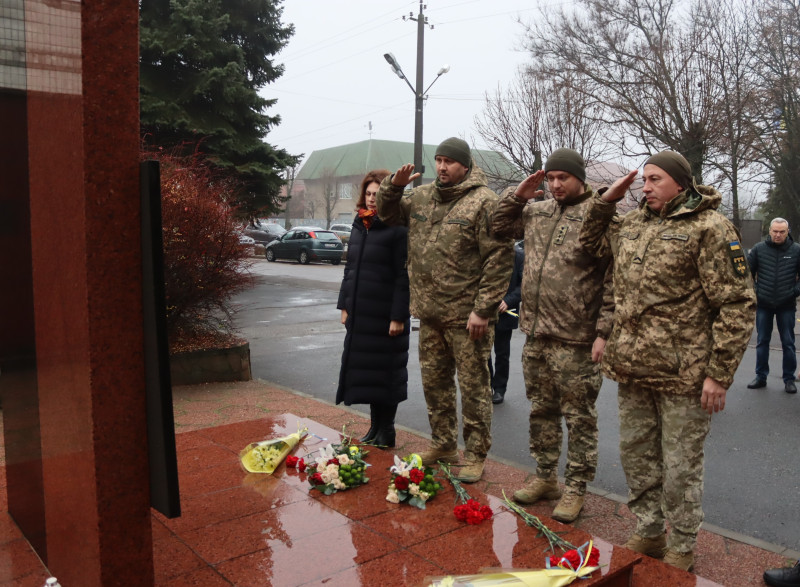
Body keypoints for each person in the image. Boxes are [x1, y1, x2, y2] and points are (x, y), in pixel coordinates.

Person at [579, 151, 756, 571]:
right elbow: (589, 242)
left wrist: (719, 374)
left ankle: (682, 542)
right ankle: (649, 529)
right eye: (644, 180)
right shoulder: (634, 223)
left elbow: (737, 305)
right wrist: (606, 200)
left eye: (655, 179)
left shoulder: (710, 228)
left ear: (681, 182)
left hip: (684, 374)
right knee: (638, 457)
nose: (646, 187)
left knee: (680, 468)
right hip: (633, 369)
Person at [377, 137, 514, 483]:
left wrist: (483, 309)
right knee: (435, 385)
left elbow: (498, 259)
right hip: (431, 314)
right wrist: (392, 187)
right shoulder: (422, 196)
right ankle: (443, 443)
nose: (441, 167)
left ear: (465, 165)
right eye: (437, 160)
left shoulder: (484, 202)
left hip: (468, 319)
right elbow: (387, 213)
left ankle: (477, 454)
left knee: (474, 389)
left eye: (449, 162)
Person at [492, 148, 614, 523]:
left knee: (578, 417)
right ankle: (546, 476)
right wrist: (518, 195)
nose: (557, 185)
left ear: (580, 178)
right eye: (551, 178)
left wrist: (604, 331)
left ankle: (576, 487)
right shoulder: (537, 212)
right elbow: (496, 226)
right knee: (541, 410)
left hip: (577, 337)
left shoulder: (599, 215)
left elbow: (613, 279)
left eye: (564, 178)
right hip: (537, 333)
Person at [336, 169, 410, 448]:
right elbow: (350, 271)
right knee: (368, 375)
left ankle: (387, 430)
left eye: (377, 194)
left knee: (386, 374)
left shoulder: (397, 228)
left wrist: (398, 316)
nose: (371, 199)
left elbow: (404, 276)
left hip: (385, 316)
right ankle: (374, 428)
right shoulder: (359, 225)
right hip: (362, 314)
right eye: (368, 193)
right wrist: (344, 305)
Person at [746, 217, 800, 394]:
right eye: (775, 231)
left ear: (787, 232)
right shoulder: (759, 249)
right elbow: (748, 274)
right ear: (769, 231)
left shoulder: (796, 250)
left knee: (788, 343)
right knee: (762, 341)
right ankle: (760, 376)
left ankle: (789, 379)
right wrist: (756, 291)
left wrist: (793, 292)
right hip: (764, 304)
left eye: (782, 232)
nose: (778, 234)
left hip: (787, 304)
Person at [489, 241, 524, 405]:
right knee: (483, 353)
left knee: (502, 354)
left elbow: (524, 284)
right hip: (485, 312)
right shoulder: (487, 253)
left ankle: (499, 389)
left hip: (506, 312)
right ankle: (487, 386)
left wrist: (508, 301)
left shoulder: (518, 256)